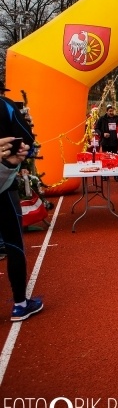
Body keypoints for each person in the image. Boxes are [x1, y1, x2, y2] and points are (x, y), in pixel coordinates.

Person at [0, 86, 42, 321]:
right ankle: (19, 303)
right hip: (4, 186)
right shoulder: (5, 105)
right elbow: (26, 138)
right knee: (14, 243)